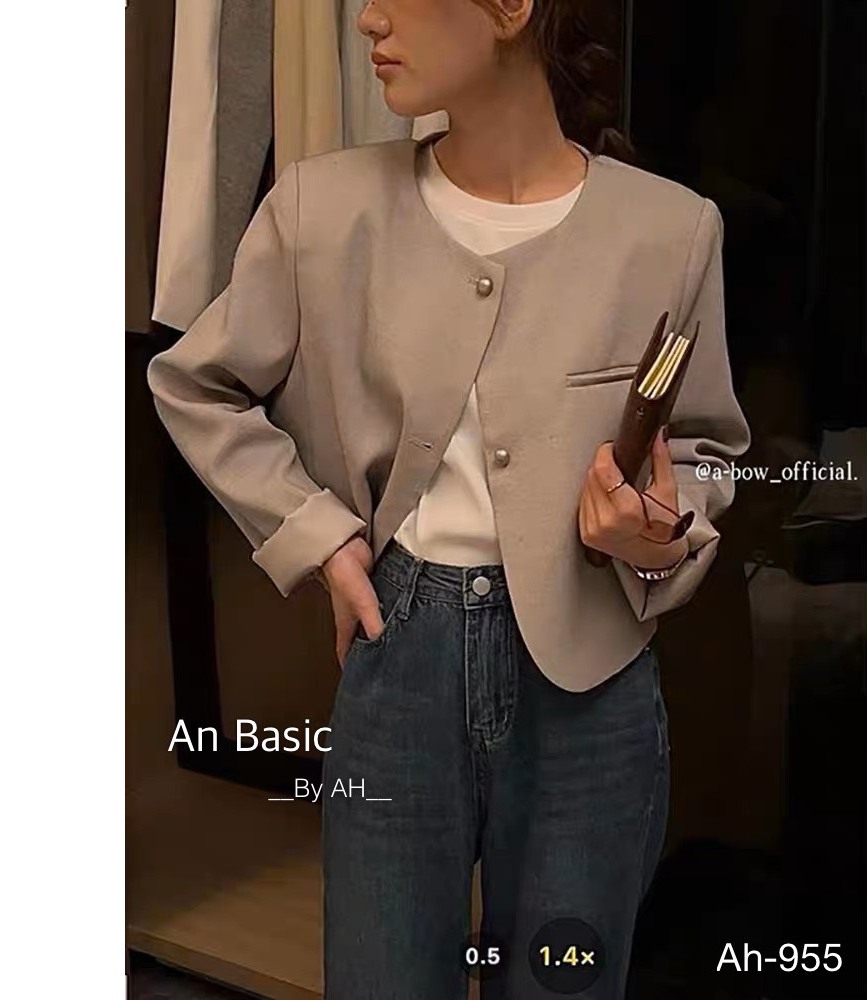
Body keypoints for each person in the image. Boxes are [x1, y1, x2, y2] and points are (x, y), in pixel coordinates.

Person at [147, 1, 751, 996]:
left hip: (593, 688)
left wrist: (656, 532)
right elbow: (196, 384)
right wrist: (319, 537)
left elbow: (706, 450)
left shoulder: (671, 232)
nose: (367, 21)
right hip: (399, 662)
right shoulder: (320, 210)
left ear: (509, 7)